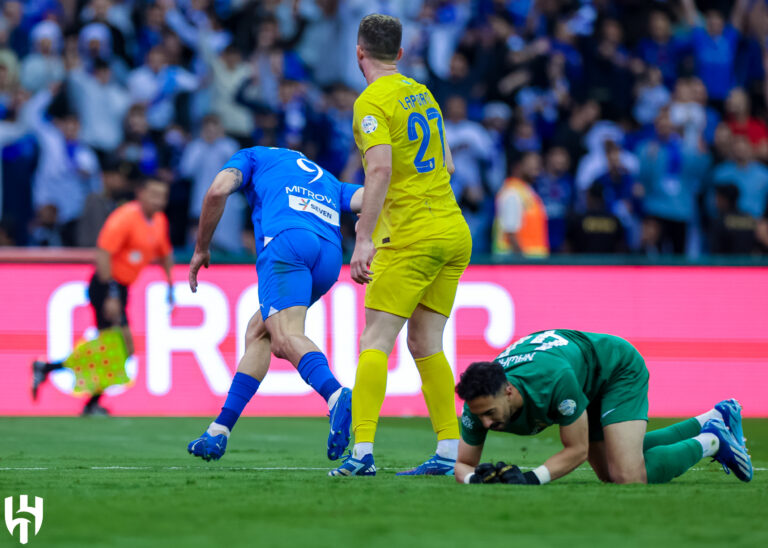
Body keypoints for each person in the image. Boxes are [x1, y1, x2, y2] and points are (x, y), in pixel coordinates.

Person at [330, 14, 472, 478]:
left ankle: (362, 453)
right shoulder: (421, 93)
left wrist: (364, 236)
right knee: (425, 340)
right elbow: (447, 166)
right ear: (401, 53)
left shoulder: (372, 102)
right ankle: (450, 450)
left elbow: (380, 170)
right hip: (453, 231)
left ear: (359, 52)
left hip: (411, 236)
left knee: (374, 339)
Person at [187, 146, 363, 462]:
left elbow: (216, 191)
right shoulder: (324, 177)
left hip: (288, 241)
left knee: (284, 337)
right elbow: (368, 198)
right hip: (330, 257)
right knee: (260, 331)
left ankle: (335, 395)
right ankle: (219, 431)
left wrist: (201, 247)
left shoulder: (252, 157)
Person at [454, 329, 753, 485]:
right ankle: (713, 417)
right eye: (478, 415)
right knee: (609, 472)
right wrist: (475, 480)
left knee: (627, 476)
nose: (485, 423)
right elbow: (462, 464)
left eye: (490, 414)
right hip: (581, 373)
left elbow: (576, 450)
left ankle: (712, 440)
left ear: (508, 391)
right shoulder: (478, 399)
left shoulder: (553, 382)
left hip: (615, 370)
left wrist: (531, 479)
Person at [32, 178, 175, 415]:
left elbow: (166, 254)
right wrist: (110, 294)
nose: (158, 201)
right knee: (121, 347)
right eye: (153, 194)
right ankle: (88, 401)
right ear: (141, 194)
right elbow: (103, 253)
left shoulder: (159, 221)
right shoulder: (125, 218)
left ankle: (49, 369)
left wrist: (171, 286)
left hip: (121, 289)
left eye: (162, 196)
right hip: (105, 285)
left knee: (116, 348)